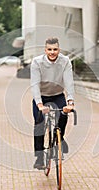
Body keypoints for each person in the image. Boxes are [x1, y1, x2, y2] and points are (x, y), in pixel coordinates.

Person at [30, 37, 75, 169]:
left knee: (63, 115)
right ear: (45, 50)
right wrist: (39, 105)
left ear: (59, 50)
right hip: (41, 97)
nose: (52, 52)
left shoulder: (65, 61)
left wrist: (70, 102)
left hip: (57, 95)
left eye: (55, 49)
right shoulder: (37, 62)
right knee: (39, 123)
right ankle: (39, 158)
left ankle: (58, 140)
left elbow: (69, 82)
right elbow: (34, 84)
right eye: (49, 49)